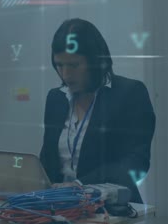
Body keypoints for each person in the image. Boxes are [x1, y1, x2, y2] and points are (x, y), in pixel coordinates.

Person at [39, 18, 156, 203]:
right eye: (60, 65)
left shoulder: (130, 93)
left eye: (74, 65)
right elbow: (48, 159)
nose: (65, 74)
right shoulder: (56, 98)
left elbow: (135, 163)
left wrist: (80, 185)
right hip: (61, 209)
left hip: (111, 209)